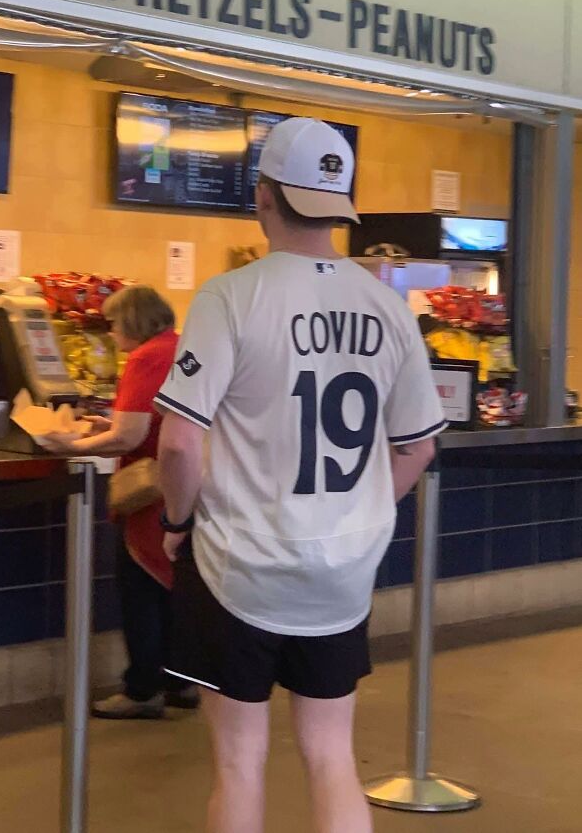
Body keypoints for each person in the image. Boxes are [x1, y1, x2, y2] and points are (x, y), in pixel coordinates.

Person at [153, 118, 447, 833]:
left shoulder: (231, 297)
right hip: (343, 572)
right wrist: (360, 518)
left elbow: (180, 444)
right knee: (330, 754)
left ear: (264, 198)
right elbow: (416, 448)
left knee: (239, 759)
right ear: (340, 203)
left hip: (237, 565)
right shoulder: (389, 305)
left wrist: (175, 522)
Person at [44, 285, 198, 719]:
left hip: (150, 493)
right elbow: (151, 417)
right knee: (174, 589)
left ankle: (142, 690)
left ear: (133, 321)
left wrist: (70, 446)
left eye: (113, 324)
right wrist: (107, 422)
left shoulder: (147, 357)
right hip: (185, 487)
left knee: (143, 589)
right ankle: (181, 683)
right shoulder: (180, 346)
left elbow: (130, 437)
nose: (110, 333)